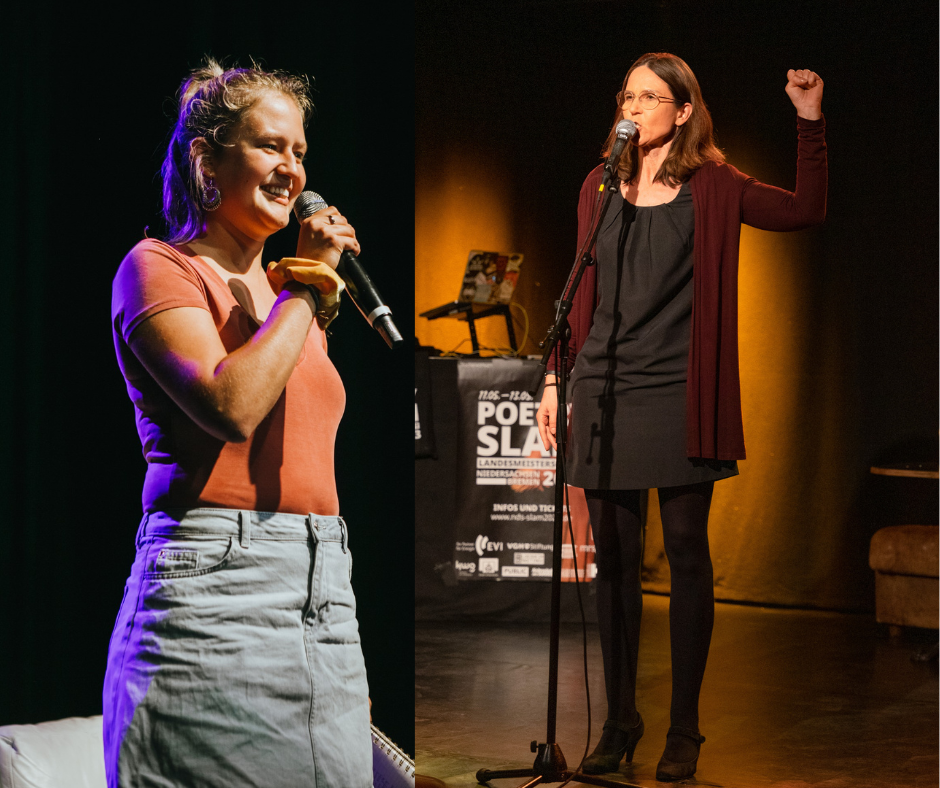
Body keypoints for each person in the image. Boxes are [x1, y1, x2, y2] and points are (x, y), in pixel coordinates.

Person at [536, 53, 826, 781]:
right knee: (614, 562)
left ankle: (685, 728)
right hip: (605, 384)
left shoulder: (715, 186)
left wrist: (809, 122)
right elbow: (582, 290)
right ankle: (621, 720)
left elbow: (805, 210)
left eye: (650, 97)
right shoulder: (599, 186)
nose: (633, 108)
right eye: (627, 95)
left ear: (684, 110)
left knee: (688, 551)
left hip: (679, 388)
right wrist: (556, 377)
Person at [102, 59, 373, 787]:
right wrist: (308, 288)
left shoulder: (289, 299)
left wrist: (303, 295)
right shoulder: (160, 267)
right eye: (269, 146)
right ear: (206, 161)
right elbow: (231, 407)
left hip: (323, 584)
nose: (293, 169)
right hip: (216, 588)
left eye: (300, 151)